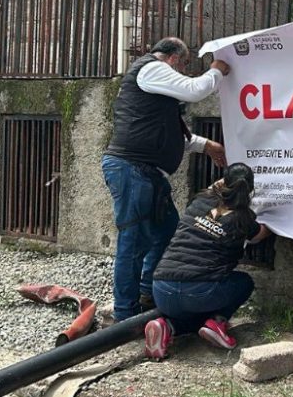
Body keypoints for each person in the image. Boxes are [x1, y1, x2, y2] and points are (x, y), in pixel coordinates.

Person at [101, 37, 231, 324]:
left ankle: (146, 294)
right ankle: (125, 314)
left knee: (166, 232)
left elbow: (170, 137)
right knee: (133, 242)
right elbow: (196, 90)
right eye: (185, 65)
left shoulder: (158, 93)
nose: (183, 71)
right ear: (174, 58)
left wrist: (207, 146)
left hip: (147, 173)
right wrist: (218, 68)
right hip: (133, 169)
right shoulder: (151, 69)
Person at [142, 163, 270, 359]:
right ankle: (217, 322)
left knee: (195, 313)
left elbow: (215, 188)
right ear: (250, 190)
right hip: (200, 293)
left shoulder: (199, 201)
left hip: (161, 288)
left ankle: (167, 326)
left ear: (223, 182)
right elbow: (258, 235)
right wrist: (275, 223)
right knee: (244, 282)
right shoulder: (243, 219)